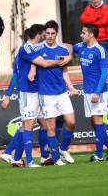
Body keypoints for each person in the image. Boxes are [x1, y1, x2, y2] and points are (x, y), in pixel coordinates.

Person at [16, 24, 69, 167]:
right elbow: (44, 64)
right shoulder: (27, 48)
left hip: (36, 91)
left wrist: (67, 56)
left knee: (44, 124)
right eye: (45, 34)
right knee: (28, 124)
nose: (47, 36)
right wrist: (62, 61)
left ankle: (44, 157)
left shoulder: (34, 48)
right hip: (27, 91)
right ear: (39, 35)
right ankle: (29, 161)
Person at [29, 20, 78, 165]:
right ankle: (56, 158)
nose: (50, 36)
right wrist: (32, 70)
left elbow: (64, 73)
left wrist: (71, 88)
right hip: (46, 94)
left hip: (61, 92)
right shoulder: (38, 48)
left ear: (57, 34)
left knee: (71, 122)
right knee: (50, 125)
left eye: (52, 33)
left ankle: (63, 148)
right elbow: (34, 62)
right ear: (45, 33)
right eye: (48, 33)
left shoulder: (63, 51)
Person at [72, 24, 108, 162]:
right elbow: (68, 48)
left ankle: (98, 155)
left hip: (98, 92)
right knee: (93, 121)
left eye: (83, 32)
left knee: (97, 120)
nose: (81, 35)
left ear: (91, 34)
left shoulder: (101, 51)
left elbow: (105, 73)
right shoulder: (81, 47)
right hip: (87, 91)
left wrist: (97, 92)